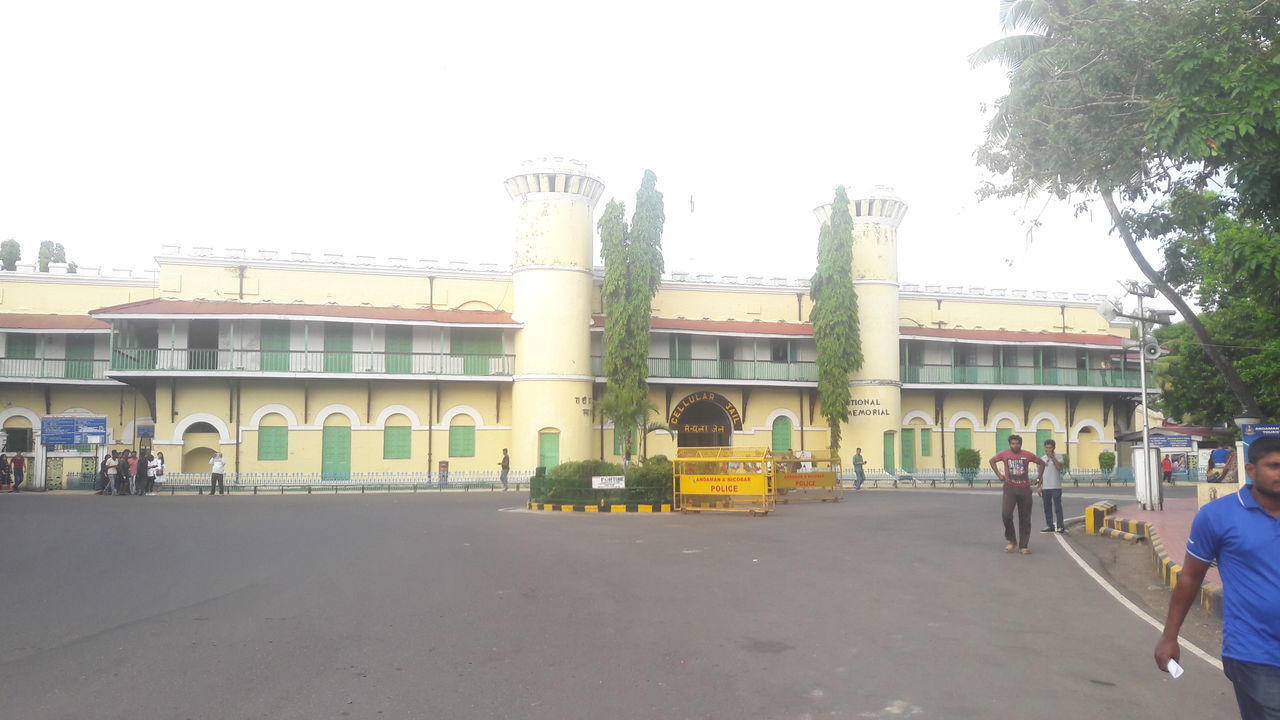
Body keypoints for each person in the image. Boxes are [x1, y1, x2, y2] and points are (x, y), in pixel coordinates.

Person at [1156, 435, 1280, 718]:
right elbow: (1189, 578)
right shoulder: (1218, 516)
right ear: (1251, 471)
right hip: (1254, 652)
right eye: (1273, 466)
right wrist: (1169, 636)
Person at [989, 434, 1046, 555]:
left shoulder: (1027, 454)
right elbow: (992, 460)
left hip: (1025, 489)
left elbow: (1041, 463)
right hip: (1010, 488)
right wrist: (999, 475)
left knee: (1025, 518)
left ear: (1021, 444)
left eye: (1018, 443)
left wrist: (1037, 479)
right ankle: (1012, 540)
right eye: (1013, 443)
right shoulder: (1004, 454)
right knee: (1006, 514)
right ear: (1010, 444)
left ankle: (1023, 546)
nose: (1016, 445)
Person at [1038, 439, 1066, 534]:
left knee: (1057, 507)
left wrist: (1053, 458)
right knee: (1047, 507)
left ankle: (1060, 526)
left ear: (1054, 447)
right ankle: (1050, 525)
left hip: (1056, 486)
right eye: (1047, 448)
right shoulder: (1042, 458)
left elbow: (1059, 467)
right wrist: (1039, 486)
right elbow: (1041, 473)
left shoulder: (1059, 457)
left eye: (1050, 447)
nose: (1048, 449)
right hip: (1045, 487)